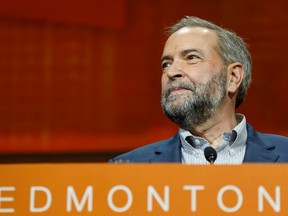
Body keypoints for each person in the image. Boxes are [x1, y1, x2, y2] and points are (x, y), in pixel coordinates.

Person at [110, 16, 288, 164]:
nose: (171, 72)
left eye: (191, 58)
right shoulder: (128, 168)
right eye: (166, 64)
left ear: (233, 77)